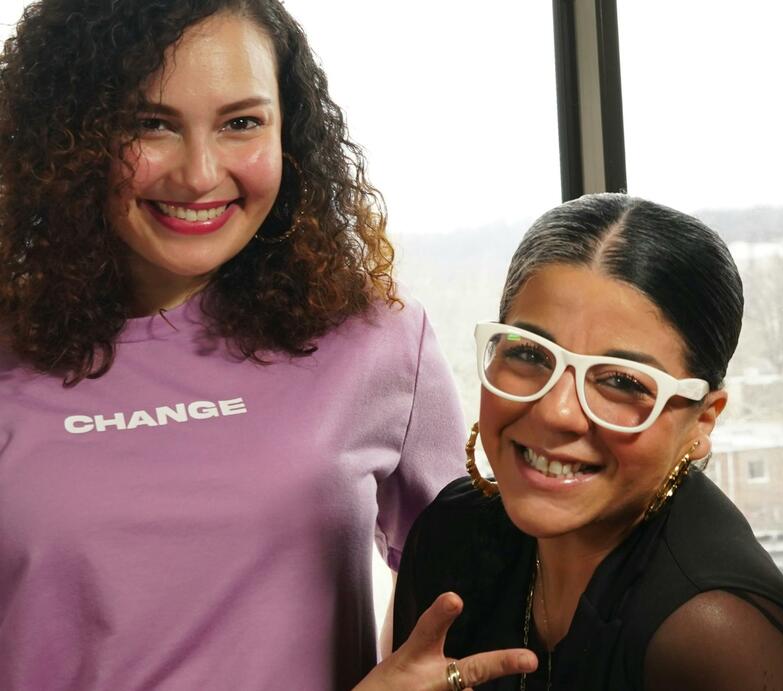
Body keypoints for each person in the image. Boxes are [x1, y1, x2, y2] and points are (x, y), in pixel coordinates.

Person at [0, 1, 463, 689]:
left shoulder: (380, 344)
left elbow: (477, 593)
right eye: (150, 124)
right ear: (71, 135)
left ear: (289, 133)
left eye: (241, 123)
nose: (199, 174)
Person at [387, 193, 783, 691]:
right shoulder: (450, 533)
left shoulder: (713, 633)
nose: (556, 411)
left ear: (703, 420)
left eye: (621, 381)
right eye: (530, 353)